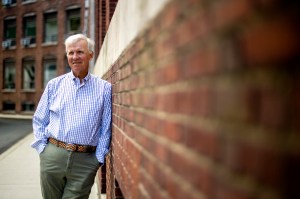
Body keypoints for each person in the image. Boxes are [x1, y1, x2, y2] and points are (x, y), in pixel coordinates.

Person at [31, 34, 112, 199]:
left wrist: (97, 159)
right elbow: (39, 119)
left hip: (85, 161)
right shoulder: (54, 85)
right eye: (71, 53)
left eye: (80, 52)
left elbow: (106, 126)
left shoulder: (104, 88)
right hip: (52, 156)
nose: (75, 57)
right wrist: (43, 149)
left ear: (91, 54)